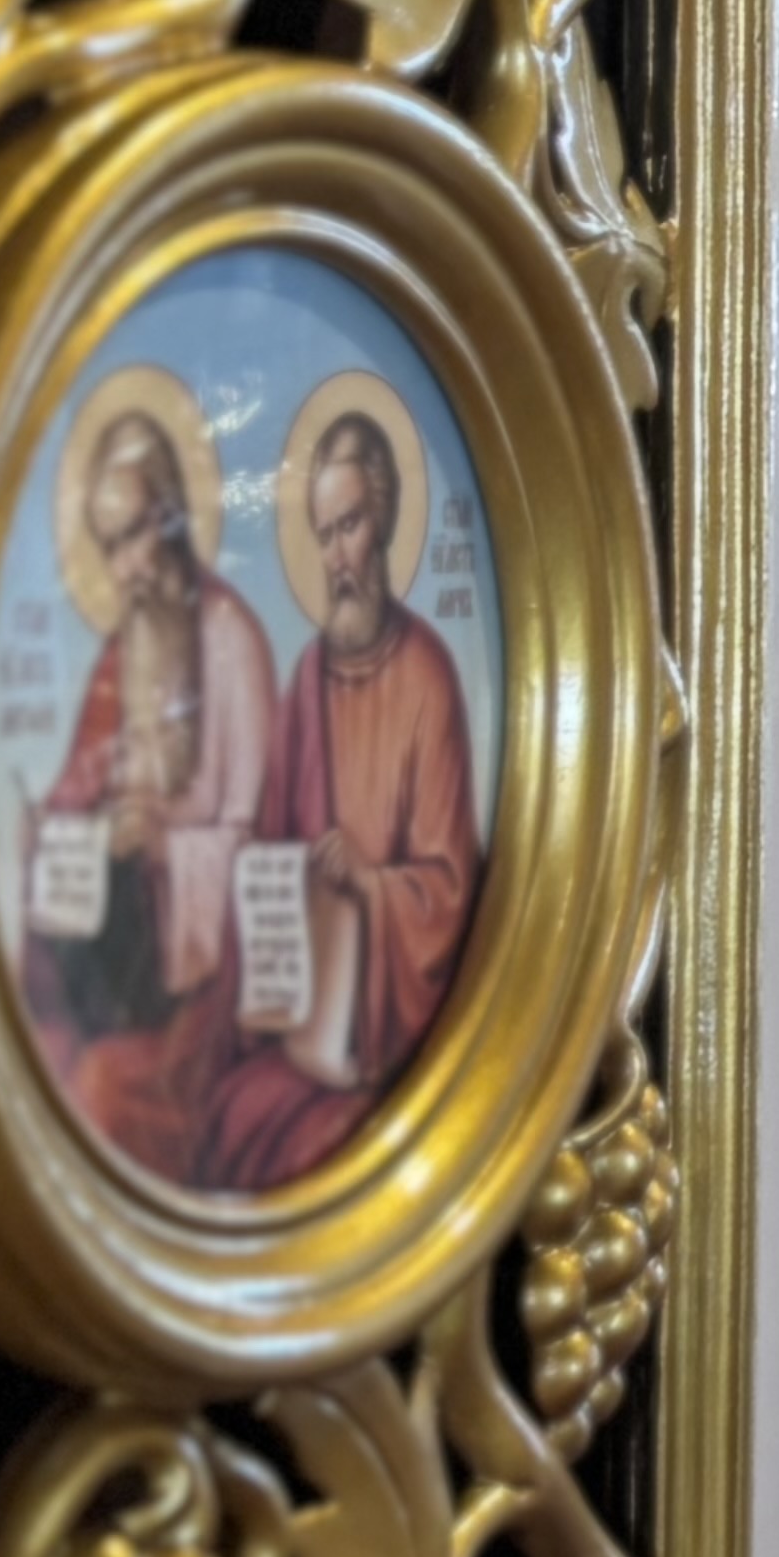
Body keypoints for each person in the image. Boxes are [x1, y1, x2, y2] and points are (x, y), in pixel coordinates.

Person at [207, 409, 483, 1194]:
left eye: (350, 526)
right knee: (227, 1115)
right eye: (323, 534)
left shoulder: (428, 676)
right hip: (305, 1026)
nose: (335, 558)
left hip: (385, 1040)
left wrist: (368, 883)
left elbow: (449, 890)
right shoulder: (306, 679)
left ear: (386, 518)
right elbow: (267, 854)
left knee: (300, 1150)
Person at [23, 401, 279, 1166]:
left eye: (136, 533)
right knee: (30, 1033)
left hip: (204, 990)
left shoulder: (231, 642)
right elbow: (75, 794)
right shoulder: (122, 651)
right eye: (110, 547)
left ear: (173, 514)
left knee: (97, 1091)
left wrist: (166, 844)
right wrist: (52, 835)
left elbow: (258, 839)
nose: (128, 569)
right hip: (117, 957)